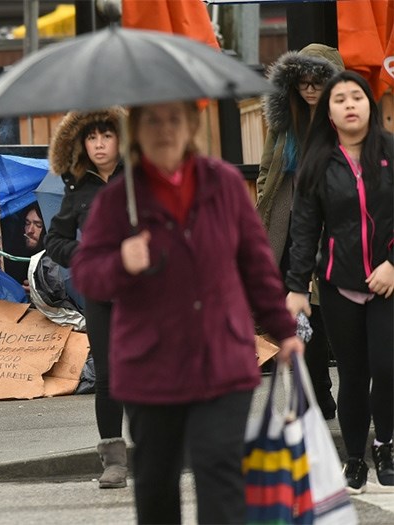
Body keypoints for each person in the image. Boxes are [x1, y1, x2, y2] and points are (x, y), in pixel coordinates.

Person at [70, 101, 304, 524]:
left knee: (220, 473)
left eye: (174, 118)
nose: (164, 128)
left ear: (192, 125)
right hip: (150, 368)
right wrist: (121, 261)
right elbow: (87, 275)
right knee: (157, 483)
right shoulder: (118, 199)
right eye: (153, 120)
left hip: (222, 359)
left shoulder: (225, 184)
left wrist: (284, 331)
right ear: (136, 131)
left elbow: (256, 265)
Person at [285, 70, 394, 494]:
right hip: (337, 284)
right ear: (329, 112)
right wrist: (296, 288)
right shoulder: (317, 163)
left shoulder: (389, 151)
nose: (350, 105)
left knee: (386, 369)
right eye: (340, 99)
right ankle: (353, 457)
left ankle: (385, 444)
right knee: (352, 374)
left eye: (357, 97)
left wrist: (391, 264)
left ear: (370, 105)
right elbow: (304, 230)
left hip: (387, 284)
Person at [257, 43, 344, 419]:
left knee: (329, 310)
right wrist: (265, 199)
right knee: (298, 313)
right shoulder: (285, 119)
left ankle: (328, 390)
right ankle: (316, 393)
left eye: (317, 82)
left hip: (331, 225)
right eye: (302, 82)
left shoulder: (344, 122)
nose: (309, 89)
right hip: (287, 224)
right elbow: (266, 170)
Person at [44, 106, 128, 488]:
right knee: (109, 378)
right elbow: (55, 240)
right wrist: (82, 255)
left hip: (142, 292)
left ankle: (160, 448)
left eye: (106, 136)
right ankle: (113, 461)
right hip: (100, 294)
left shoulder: (141, 181)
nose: (98, 144)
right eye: (91, 138)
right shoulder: (77, 188)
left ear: (119, 139)